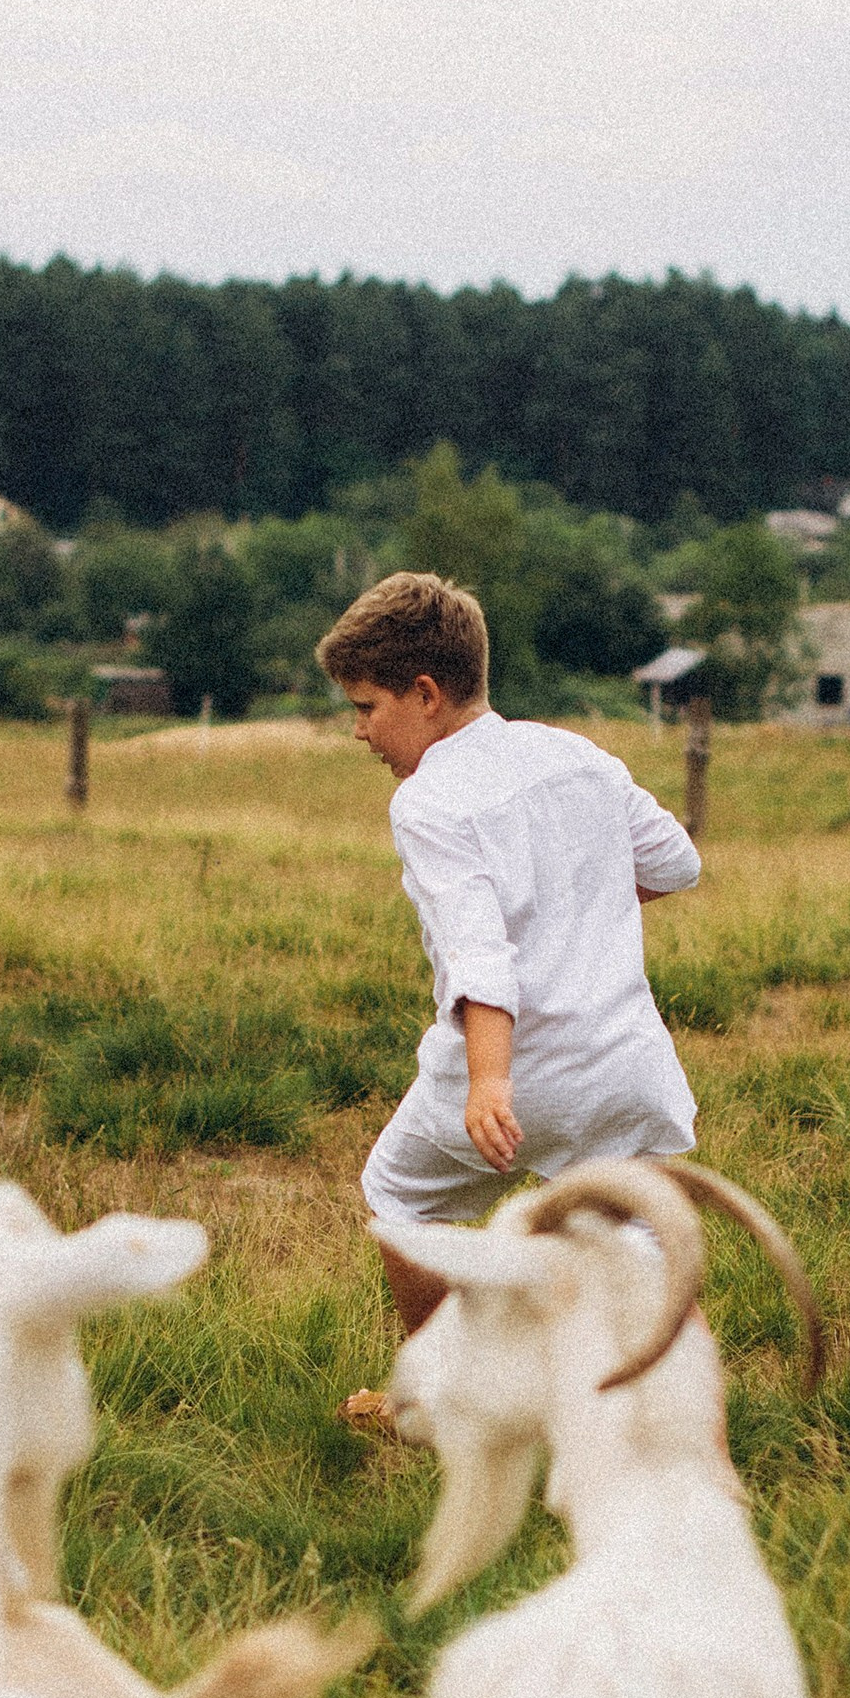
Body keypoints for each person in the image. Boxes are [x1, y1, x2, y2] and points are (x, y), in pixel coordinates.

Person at [315, 570, 701, 1398]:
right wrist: (575, 903)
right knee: (628, 1233)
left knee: (400, 1194)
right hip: (625, 1064)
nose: (359, 729)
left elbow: (477, 953)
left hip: (516, 1073)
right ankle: (647, 1402)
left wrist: (489, 1079)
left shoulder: (428, 800)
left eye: (366, 706)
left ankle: (448, 1396)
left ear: (425, 694)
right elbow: (676, 862)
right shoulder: (576, 755)